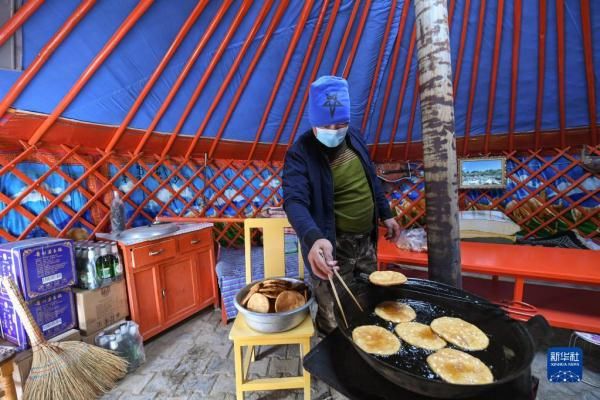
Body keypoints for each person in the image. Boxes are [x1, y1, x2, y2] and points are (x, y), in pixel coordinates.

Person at [282, 75, 401, 334]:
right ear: (314, 121)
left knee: (365, 299)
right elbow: (294, 201)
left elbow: (370, 179)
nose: (335, 130)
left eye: (342, 123)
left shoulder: (355, 138)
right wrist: (313, 238)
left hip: (366, 242)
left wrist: (386, 214)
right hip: (331, 246)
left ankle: (364, 348)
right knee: (334, 312)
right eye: (328, 125)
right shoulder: (300, 153)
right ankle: (332, 357)